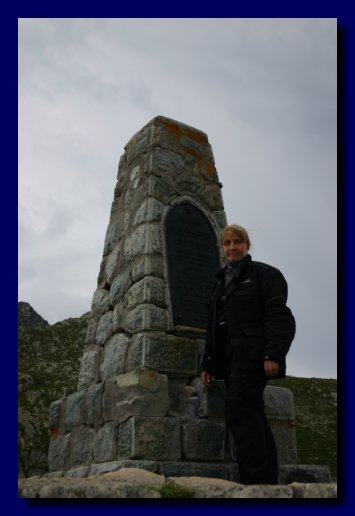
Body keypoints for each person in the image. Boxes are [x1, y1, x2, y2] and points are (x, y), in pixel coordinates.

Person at [200, 224, 296, 485]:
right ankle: (267, 481)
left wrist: (273, 354)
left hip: (253, 356)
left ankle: (254, 482)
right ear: (221, 247)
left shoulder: (266, 275)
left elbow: (280, 318)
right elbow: (213, 327)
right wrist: (207, 362)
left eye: (237, 242)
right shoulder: (219, 282)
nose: (232, 248)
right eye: (227, 243)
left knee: (239, 411)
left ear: (247, 245)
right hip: (228, 359)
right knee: (252, 412)